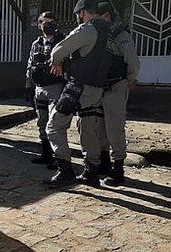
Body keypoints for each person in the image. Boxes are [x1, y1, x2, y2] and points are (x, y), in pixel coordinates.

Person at [46, 0, 113, 187]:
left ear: (82, 13)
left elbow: (58, 50)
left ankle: (65, 170)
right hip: (97, 88)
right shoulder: (110, 32)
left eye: (77, 15)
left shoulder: (87, 30)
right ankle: (91, 172)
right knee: (88, 129)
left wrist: (57, 61)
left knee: (54, 125)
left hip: (78, 88)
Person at [96, 1, 140, 186]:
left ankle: (118, 168)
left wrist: (129, 80)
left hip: (115, 86)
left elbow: (132, 62)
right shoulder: (97, 34)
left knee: (114, 128)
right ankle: (104, 163)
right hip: (98, 87)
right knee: (99, 128)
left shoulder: (121, 35)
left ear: (106, 15)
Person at [25, 11, 66, 170]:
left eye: (50, 22)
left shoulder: (62, 41)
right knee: (42, 122)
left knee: (54, 124)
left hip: (56, 87)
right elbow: (30, 65)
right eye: (43, 22)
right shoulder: (36, 43)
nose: (46, 25)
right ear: (38, 24)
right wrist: (28, 85)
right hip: (39, 88)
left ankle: (59, 158)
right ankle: (46, 154)